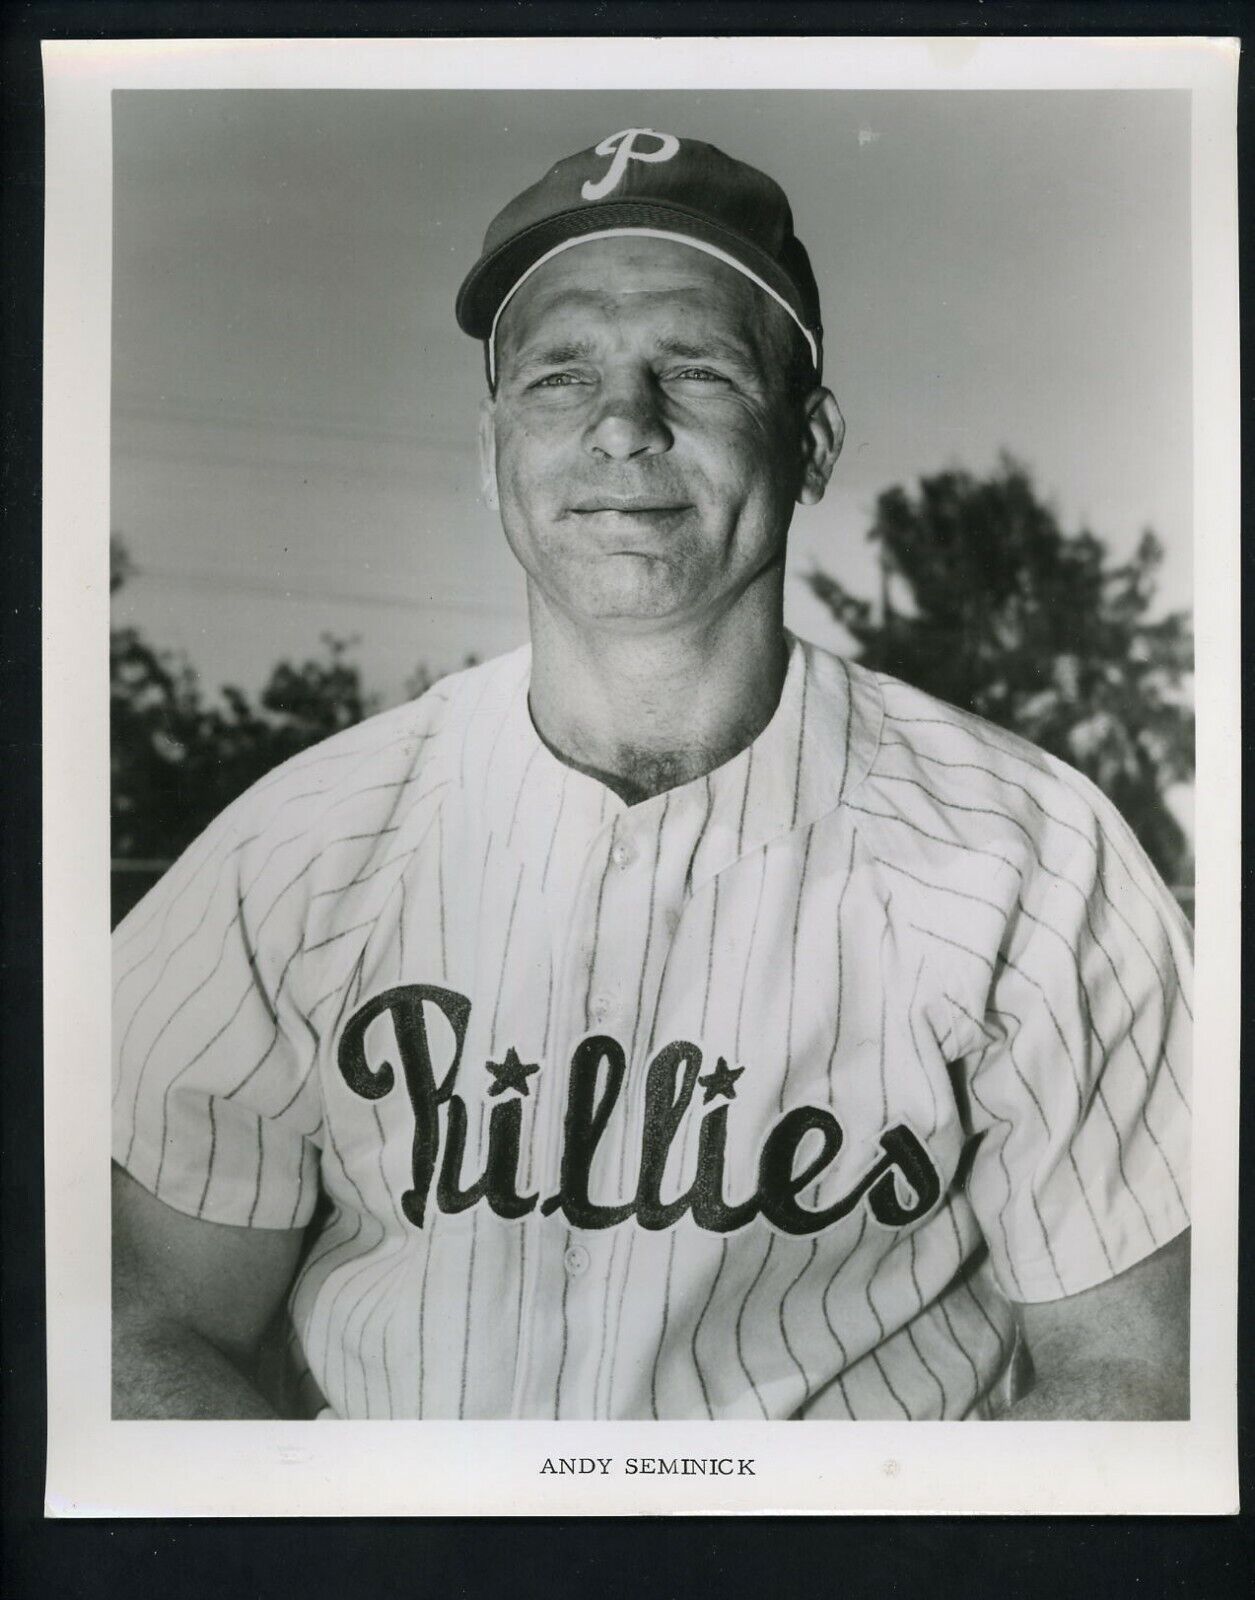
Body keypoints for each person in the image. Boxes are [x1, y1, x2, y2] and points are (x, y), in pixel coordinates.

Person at [112, 128, 1190, 1422]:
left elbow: (1136, 1381)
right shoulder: (288, 857)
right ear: (491, 448)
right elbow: (146, 1326)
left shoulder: (1038, 865)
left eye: (697, 368)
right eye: (560, 375)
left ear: (813, 443)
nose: (624, 427)